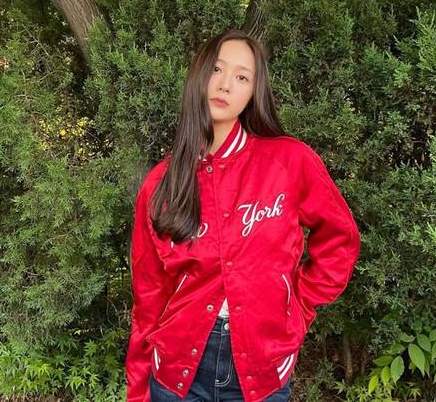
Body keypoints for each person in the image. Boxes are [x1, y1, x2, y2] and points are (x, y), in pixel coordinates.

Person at [125, 28, 361, 402]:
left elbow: (340, 239)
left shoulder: (288, 162)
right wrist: (139, 390)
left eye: (241, 77)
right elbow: (149, 294)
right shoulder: (161, 184)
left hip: (263, 367)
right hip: (176, 370)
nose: (225, 85)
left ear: (253, 92)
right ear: (199, 76)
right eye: (217, 70)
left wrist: (298, 308)